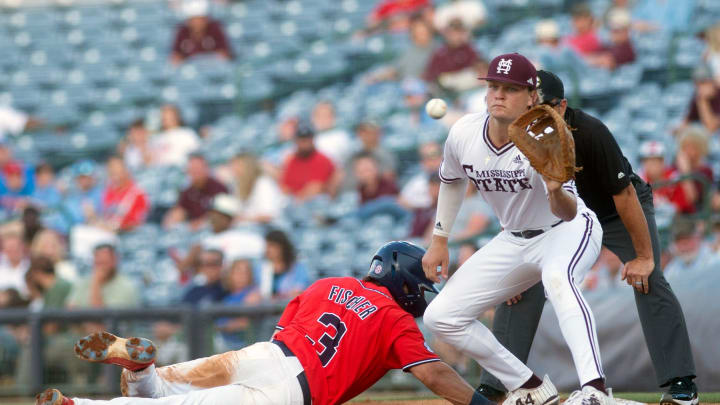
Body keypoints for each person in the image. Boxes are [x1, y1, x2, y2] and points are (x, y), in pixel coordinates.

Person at [37, 241, 496, 405]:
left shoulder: (330, 283)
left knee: (158, 391)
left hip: (263, 355)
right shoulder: (396, 319)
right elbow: (434, 373)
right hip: (294, 390)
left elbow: (284, 328)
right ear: (404, 279)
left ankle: (141, 370)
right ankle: (78, 404)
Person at [475, 70, 698, 405]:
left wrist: (644, 257)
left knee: (648, 277)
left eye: (547, 106)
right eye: (531, 107)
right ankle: (494, 386)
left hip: (613, 210)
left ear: (562, 106)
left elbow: (624, 195)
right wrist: (514, 266)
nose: (538, 116)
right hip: (557, 217)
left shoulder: (591, 132)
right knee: (519, 288)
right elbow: (511, 199)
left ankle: (681, 385)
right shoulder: (514, 133)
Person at [421, 54, 612, 405]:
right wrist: (439, 239)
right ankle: (528, 386)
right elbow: (451, 181)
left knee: (558, 280)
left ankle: (595, 389)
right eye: (493, 86)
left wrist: (555, 189)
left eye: (510, 89)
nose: (498, 94)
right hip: (513, 239)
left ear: (531, 97)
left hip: (565, 231)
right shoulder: (464, 132)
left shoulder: (545, 135)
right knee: (441, 316)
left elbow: (567, 214)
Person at [163, 154, 228, 229]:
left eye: (198, 169)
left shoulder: (219, 188)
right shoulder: (188, 191)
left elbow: (223, 216)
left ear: (206, 168)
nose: (195, 172)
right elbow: (178, 211)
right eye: (192, 169)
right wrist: (172, 221)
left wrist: (199, 223)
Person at [170, 0, 233, 64]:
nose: (197, 23)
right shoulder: (182, 31)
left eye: (200, 19)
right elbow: (175, 57)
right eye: (194, 19)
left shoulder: (215, 29)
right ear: (188, 21)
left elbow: (225, 55)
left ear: (206, 19)